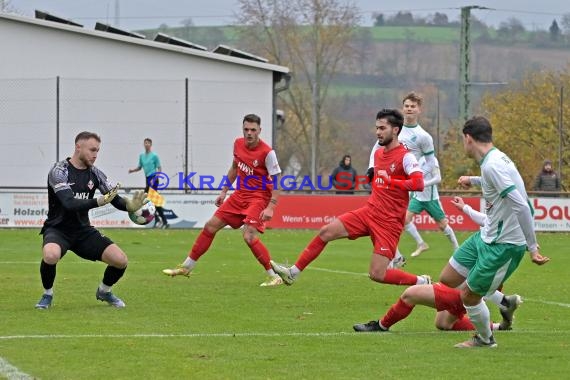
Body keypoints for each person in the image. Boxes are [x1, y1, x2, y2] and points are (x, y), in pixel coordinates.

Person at [271, 108, 431, 288]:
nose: (378, 132)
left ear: (395, 130)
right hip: (369, 212)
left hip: (389, 222)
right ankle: (293, 272)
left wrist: (392, 181)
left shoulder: (406, 157)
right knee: (326, 232)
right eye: (377, 128)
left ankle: (422, 281)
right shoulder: (379, 153)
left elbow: (418, 184)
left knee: (377, 274)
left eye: (382, 128)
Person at [438, 116, 550, 348]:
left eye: (462, 140)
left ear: (468, 138)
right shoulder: (496, 159)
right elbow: (496, 181)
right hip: (487, 234)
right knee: (448, 278)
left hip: (504, 244)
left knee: (469, 295)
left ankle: (485, 339)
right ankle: (504, 302)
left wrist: (532, 247)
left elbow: (521, 205)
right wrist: (473, 180)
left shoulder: (493, 164)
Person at [353, 195, 522, 333]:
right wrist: (465, 207)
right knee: (443, 323)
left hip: (465, 289)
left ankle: (380, 326)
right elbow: (487, 221)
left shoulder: (495, 240)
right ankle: (500, 321)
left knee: (410, 294)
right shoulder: (499, 231)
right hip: (472, 286)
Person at [162, 114, 284, 287]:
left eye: (253, 130)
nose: (249, 133)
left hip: (258, 198)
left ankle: (274, 276)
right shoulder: (238, 144)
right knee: (210, 226)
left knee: (249, 236)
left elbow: (277, 179)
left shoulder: (267, 152)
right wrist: (224, 191)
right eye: (246, 129)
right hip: (239, 195)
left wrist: (271, 206)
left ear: (260, 131)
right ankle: (187, 267)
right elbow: (235, 167)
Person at [35, 131, 148, 309]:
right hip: (58, 230)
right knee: (50, 255)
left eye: (98, 151)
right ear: (78, 147)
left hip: (83, 231)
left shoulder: (95, 173)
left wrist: (129, 206)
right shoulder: (59, 171)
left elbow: (114, 198)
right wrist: (98, 201)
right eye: (92, 150)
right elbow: (68, 203)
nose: (95, 155)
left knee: (120, 260)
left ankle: (104, 291)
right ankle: (47, 295)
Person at [367, 91, 437, 264]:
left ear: (419, 109)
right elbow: (376, 148)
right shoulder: (390, 128)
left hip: (402, 184)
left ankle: (394, 255)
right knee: (379, 216)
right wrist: (371, 168)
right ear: (402, 108)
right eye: (406, 106)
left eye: (413, 106)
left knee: (393, 219)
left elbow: (431, 163)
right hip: (385, 181)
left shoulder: (424, 137)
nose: (409, 109)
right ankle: (396, 255)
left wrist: (416, 172)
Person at [404, 156, 459, 257]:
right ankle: (421, 244)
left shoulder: (431, 159)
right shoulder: (415, 158)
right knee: (405, 219)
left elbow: (438, 178)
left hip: (431, 199)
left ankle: (457, 249)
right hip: (417, 197)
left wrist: (423, 184)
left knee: (443, 225)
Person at [129, 138, 169, 228]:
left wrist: (155, 178)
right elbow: (139, 167)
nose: (146, 144)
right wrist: (132, 170)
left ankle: (161, 221)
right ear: (143, 144)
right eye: (145, 143)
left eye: (148, 143)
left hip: (154, 179)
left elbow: (159, 168)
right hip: (147, 179)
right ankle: (161, 221)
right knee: (151, 201)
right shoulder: (142, 156)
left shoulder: (154, 156)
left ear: (151, 145)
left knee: (149, 199)